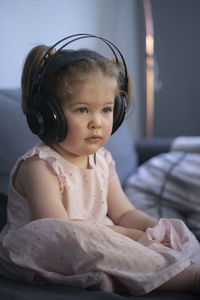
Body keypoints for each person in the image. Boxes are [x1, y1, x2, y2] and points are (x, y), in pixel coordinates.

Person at [0, 35, 199, 296]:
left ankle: (176, 264)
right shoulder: (39, 166)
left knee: (173, 229)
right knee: (88, 241)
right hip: (47, 247)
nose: (98, 122)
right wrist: (126, 236)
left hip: (98, 240)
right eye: (82, 110)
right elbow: (58, 230)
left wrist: (152, 227)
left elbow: (125, 213)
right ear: (49, 117)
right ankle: (189, 277)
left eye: (106, 110)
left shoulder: (102, 159)